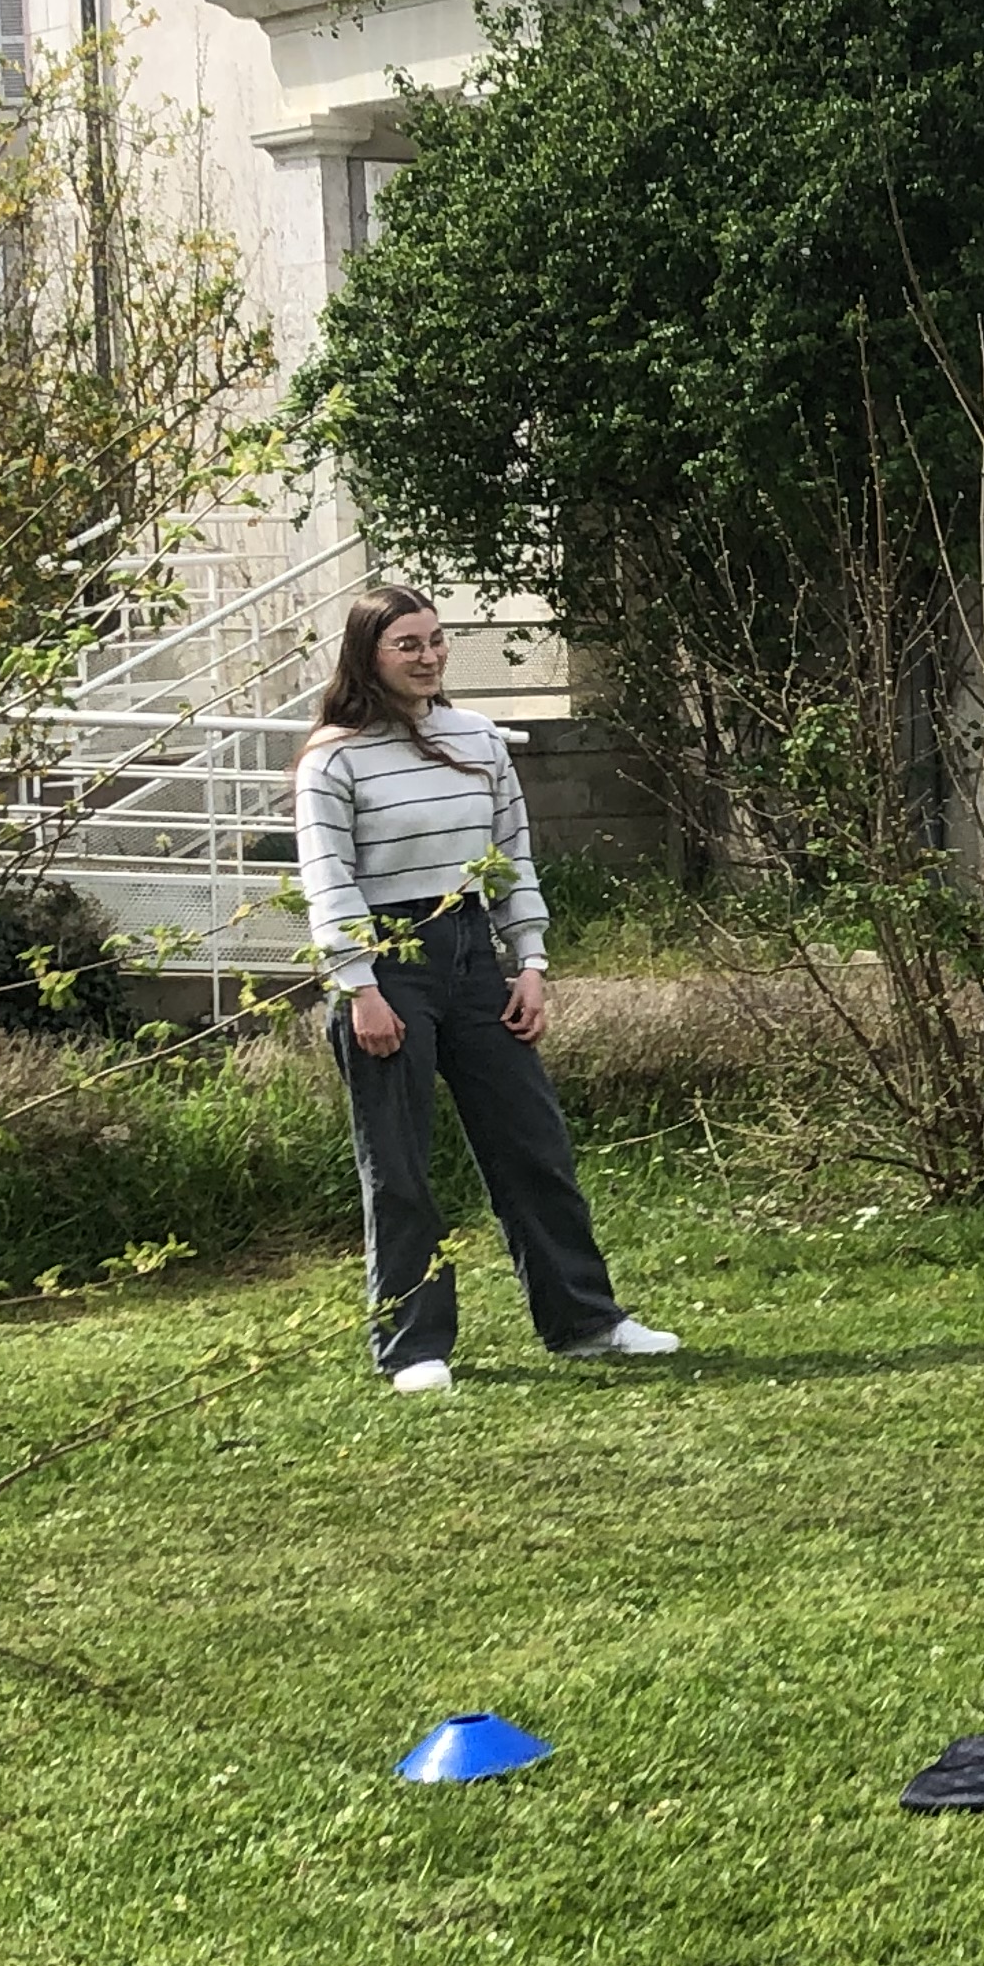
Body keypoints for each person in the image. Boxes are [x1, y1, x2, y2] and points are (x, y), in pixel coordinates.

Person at [296, 585, 677, 1395]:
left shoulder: (477, 738)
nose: (429, 656)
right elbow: (328, 881)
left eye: (436, 640)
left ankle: (585, 1322)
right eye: (408, 644)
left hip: (474, 954)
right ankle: (413, 1346)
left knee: (533, 1145)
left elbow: (510, 858)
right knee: (399, 1167)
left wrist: (529, 963)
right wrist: (360, 986)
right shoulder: (333, 758)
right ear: (368, 655)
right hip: (385, 962)